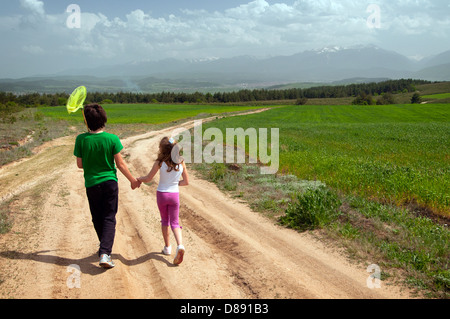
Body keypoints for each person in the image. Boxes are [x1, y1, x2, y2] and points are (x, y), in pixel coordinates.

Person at [74, 103, 141, 269]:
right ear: (104, 120)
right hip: (110, 183)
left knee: (97, 217)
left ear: (86, 121)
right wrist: (132, 180)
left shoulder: (81, 139)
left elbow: (80, 165)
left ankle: (104, 250)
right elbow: (121, 164)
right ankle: (105, 253)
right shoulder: (112, 139)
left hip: (92, 184)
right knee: (109, 217)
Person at [138, 137, 189, 265]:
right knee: (175, 223)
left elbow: (149, 178)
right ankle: (180, 245)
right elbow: (186, 182)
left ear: (162, 149)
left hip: (162, 194)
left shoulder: (159, 162)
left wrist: (139, 179)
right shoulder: (181, 162)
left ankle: (167, 248)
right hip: (174, 195)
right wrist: (175, 183)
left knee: (165, 221)